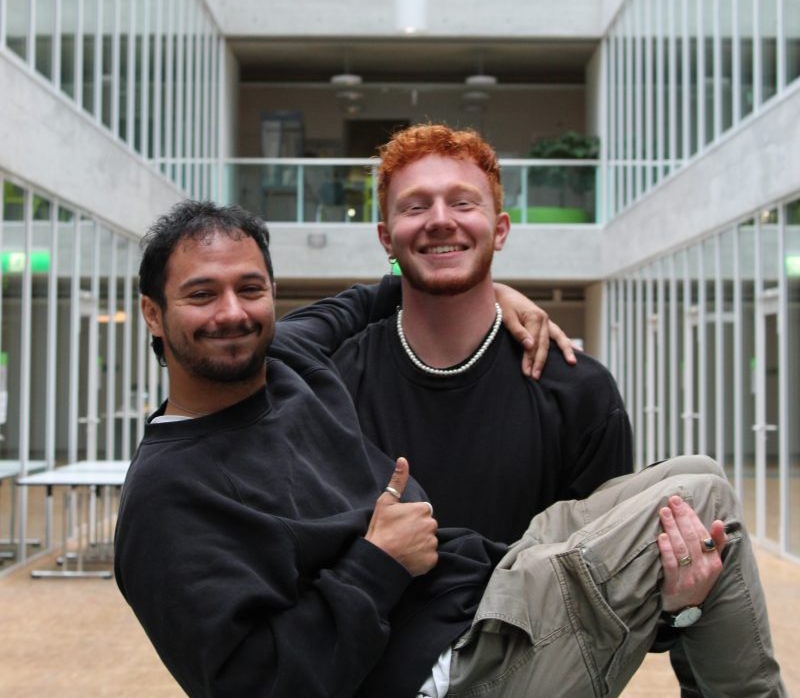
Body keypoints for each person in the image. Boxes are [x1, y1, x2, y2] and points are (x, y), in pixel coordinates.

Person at [114, 200, 785, 697]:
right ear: (153, 313)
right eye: (201, 294)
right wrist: (376, 565)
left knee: (698, 472)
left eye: (250, 288)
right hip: (450, 674)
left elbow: (377, 296)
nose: (233, 312)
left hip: (479, 593)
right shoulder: (167, 497)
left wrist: (491, 292)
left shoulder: (288, 355)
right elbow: (254, 686)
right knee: (701, 498)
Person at [328, 123, 632, 545]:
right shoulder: (335, 388)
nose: (440, 220)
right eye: (415, 207)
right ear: (386, 239)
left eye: (462, 203)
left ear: (500, 229)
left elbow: (609, 564)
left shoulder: (581, 393)